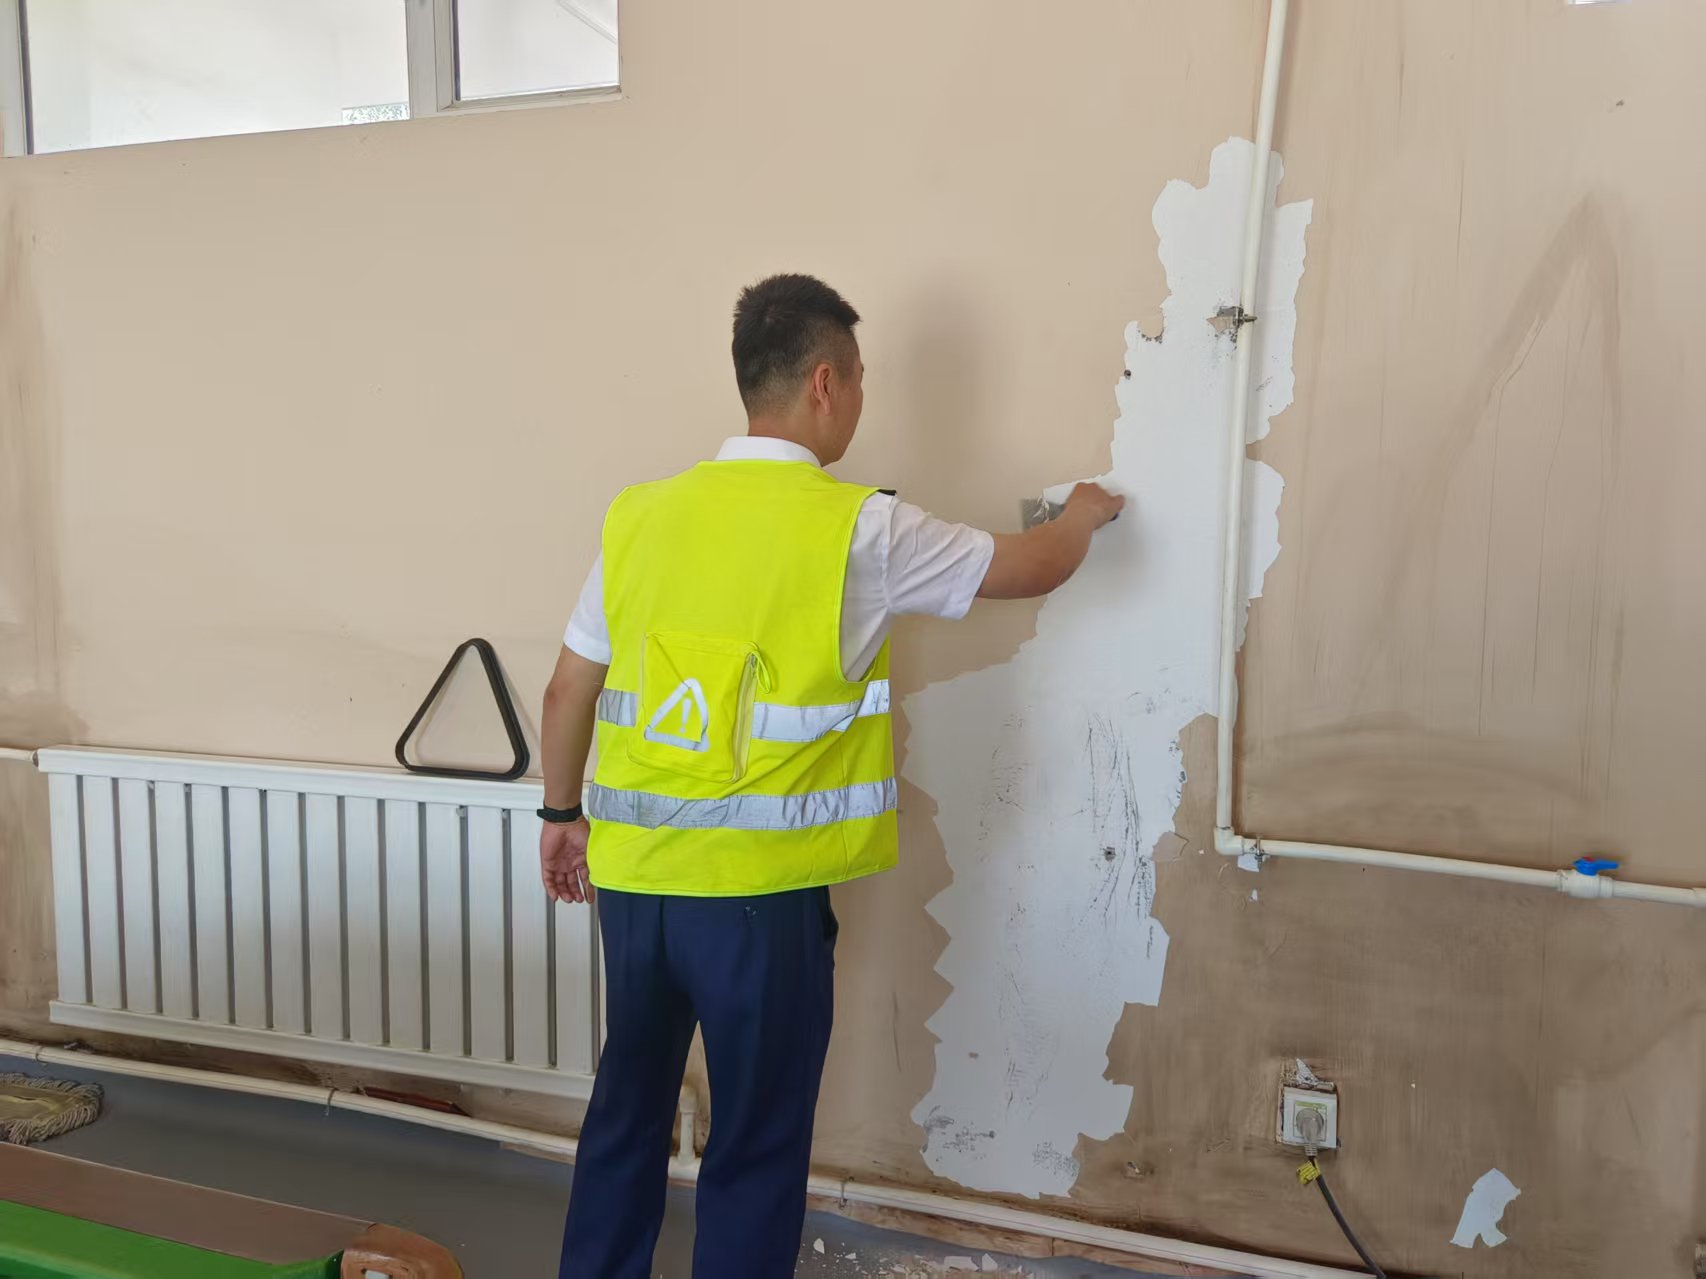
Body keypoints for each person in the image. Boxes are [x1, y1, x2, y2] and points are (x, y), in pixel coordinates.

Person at [539, 274, 1124, 1278]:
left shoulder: (639, 515)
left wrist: (561, 815)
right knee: (755, 1143)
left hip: (633, 888)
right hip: (756, 906)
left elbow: (566, 691)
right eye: (857, 380)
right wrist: (1081, 513)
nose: (858, 399)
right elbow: (1032, 565)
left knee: (625, 1113)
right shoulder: (858, 528)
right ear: (823, 382)